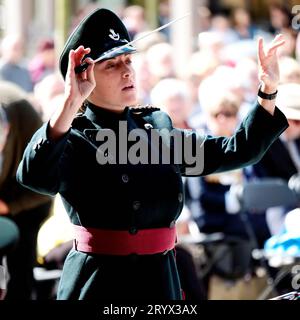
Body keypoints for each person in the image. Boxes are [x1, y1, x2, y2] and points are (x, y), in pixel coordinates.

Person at [16, 8, 288, 300]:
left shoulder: (156, 129)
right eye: (112, 65)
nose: (127, 70)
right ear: (84, 77)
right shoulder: (74, 137)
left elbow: (236, 150)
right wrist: (70, 102)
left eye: (129, 60)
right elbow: (35, 177)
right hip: (98, 284)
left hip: (159, 280)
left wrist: (267, 91)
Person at [0, 81, 52, 300]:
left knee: (20, 270)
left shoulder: (24, 116)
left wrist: (9, 205)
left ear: (7, 129)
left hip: (25, 198)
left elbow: (46, 183)